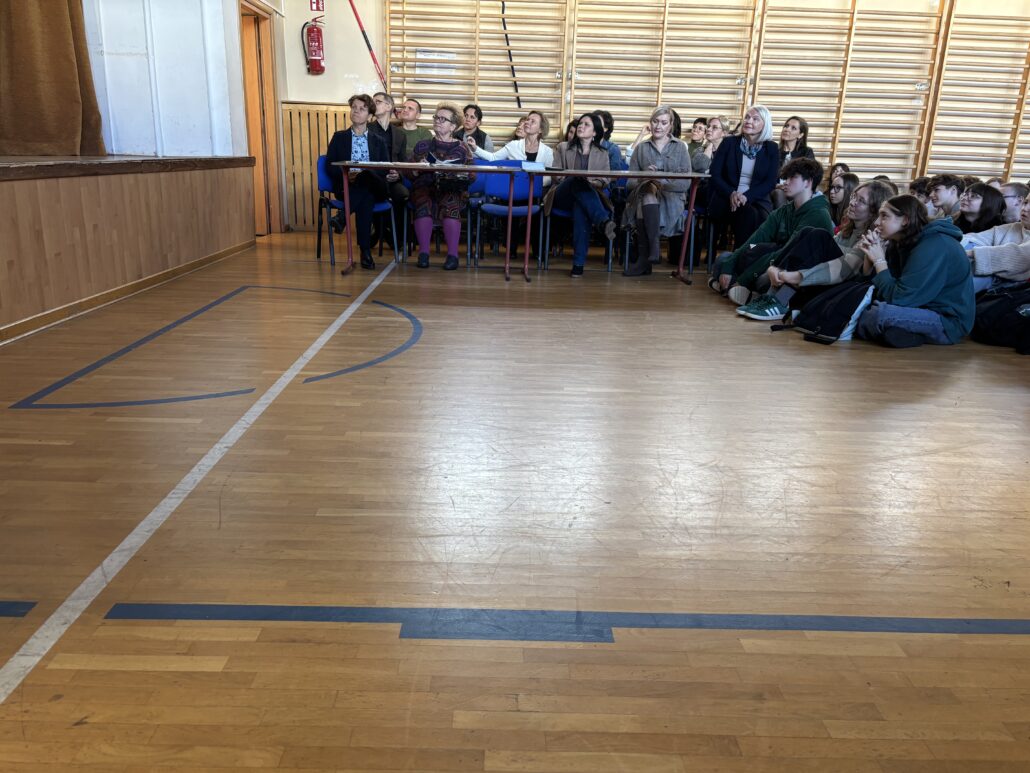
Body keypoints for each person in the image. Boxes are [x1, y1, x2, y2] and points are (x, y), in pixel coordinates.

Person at [748, 180, 896, 320]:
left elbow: (844, 269)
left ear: (874, 211)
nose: (852, 203)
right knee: (807, 232)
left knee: (818, 235)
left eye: (861, 201)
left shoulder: (872, 238)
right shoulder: (847, 232)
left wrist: (796, 276)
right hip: (822, 282)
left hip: (842, 292)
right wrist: (776, 268)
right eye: (854, 197)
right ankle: (772, 297)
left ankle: (779, 300)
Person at [853, 194, 974, 347]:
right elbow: (879, 290)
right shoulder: (899, 241)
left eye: (884, 216)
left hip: (946, 321)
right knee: (858, 306)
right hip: (916, 306)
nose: (877, 222)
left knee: (877, 315)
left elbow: (900, 298)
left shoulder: (934, 245)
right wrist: (869, 260)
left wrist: (879, 260)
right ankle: (908, 334)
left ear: (905, 220)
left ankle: (908, 332)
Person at [713, 157, 834, 302]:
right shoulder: (784, 211)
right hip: (772, 261)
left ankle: (734, 288)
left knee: (767, 279)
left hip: (796, 271)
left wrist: (744, 279)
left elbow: (786, 253)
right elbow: (755, 239)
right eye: (786, 178)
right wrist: (728, 266)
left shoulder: (818, 214)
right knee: (724, 259)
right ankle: (740, 291)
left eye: (792, 178)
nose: (786, 182)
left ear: (808, 182)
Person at [541, 112, 615, 277]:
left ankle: (578, 265)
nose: (581, 126)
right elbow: (555, 175)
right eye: (580, 123)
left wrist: (593, 183)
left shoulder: (602, 152)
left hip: (586, 197)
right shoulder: (563, 147)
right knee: (576, 179)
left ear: (595, 132)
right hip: (562, 194)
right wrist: (570, 177)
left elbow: (605, 180)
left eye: (586, 125)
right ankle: (603, 220)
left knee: (580, 208)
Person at [621, 106, 692, 276]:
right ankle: (654, 248)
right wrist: (644, 177)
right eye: (655, 121)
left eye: (664, 122)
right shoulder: (641, 148)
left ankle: (644, 259)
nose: (658, 126)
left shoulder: (680, 147)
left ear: (671, 125)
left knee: (646, 197)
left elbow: (685, 184)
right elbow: (629, 183)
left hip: (671, 198)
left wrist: (661, 181)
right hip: (644, 196)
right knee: (647, 192)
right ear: (650, 123)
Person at [325, 94, 390, 271]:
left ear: (370, 115)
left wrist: (363, 174)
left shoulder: (379, 140)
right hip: (348, 185)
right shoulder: (339, 137)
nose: (356, 111)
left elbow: (384, 169)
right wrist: (348, 175)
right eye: (354, 107)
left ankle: (342, 217)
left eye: (362, 108)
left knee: (366, 177)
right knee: (365, 197)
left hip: (376, 186)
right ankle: (365, 252)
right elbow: (330, 166)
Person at [407, 103, 475, 270]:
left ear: (453, 126)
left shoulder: (463, 148)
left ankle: (452, 255)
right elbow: (408, 172)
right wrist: (417, 169)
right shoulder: (422, 146)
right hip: (425, 186)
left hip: (451, 188)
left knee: (451, 202)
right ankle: (423, 254)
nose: (437, 121)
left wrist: (460, 174)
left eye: (443, 119)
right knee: (423, 201)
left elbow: (472, 175)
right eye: (436, 117)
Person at [708, 104, 780, 251]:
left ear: (765, 124)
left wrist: (746, 196)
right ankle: (741, 256)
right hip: (726, 197)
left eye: (755, 119)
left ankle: (749, 255)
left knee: (762, 218)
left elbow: (770, 182)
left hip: (756, 198)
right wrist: (732, 193)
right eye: (747, 117)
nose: (749, 121)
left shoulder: (771, 148)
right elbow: (715, 175)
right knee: (748, 214)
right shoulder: (729, 143)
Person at [963, 191, 1030, 292]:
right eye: (1025, 202)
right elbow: (977, 238)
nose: (1025, 208)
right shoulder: (1012, 227)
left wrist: (970, 253)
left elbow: (1020, 254)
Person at [469, 110, 553, 166]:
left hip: (538, 188)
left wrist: (535, 183)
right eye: (528, 119)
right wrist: (475, 148)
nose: (527, 122)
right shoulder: (513, 145)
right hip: (515, 186)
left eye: (533, 121)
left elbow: (548, 176)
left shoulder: (547, 151)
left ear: (541, 129)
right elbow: (493, 158)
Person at [369, 92, 406, 214]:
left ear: (389, 106)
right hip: (373, 178)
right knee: (375, 194)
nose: (373, 105)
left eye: (377, 102)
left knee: (403, 194)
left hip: (392, 180)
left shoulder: (400, 134)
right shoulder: (366, 129)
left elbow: (403, 161)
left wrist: (398, 174)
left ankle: (395, 227)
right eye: (372, 102)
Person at [392, 97, 432, 162]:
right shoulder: (393, 131)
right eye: (403, 107)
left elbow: (424, 155)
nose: (405, 110)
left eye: (410, 108)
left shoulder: (424, 133)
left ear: (418, 115)